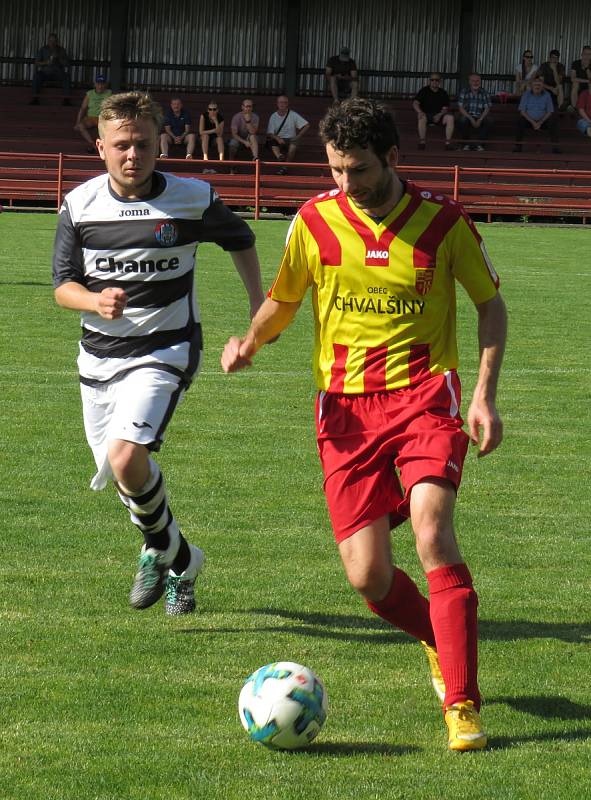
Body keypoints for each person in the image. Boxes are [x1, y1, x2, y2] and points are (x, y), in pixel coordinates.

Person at [221, 97, 507, 752]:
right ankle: (439, 636)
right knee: (367, 577)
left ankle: (462, 703)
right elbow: (284, 298)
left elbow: (491, 309)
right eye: (335, 170)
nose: (345, 184)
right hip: (344, 413)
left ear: (392, 158)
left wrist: (483, 395)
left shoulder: (443, 223)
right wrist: (252, 341)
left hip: (423, 399)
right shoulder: (315, 221)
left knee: (434, 532)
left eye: (357, 170)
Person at [52, 92, 265, 617]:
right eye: (121, 145)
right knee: (128, 476)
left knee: (128, 459)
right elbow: (62, 286)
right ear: (100, 147)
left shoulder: (192, 198)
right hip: (98, 358)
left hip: (165, 348)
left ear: (158, 144)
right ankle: (179, 558)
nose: (132, 155)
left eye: (142, 144)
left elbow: (241, 239)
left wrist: (260, 309)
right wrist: (93, 299)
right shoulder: (79, 205)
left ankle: (162, 552)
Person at [513, 76, 561, 153]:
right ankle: (517, 146)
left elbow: (550, 111)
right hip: (529, 121)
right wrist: (533, 122)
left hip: (543, 121)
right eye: (535, 85)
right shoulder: (526, 94)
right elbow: (522, 111)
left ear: (542, 86)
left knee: (554, 121)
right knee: (520, 120)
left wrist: (540, 122)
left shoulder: (547, 95)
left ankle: (555, 147)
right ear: (531, 86)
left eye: (539, 85)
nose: (537, 86)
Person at [266, 95, 310, 172]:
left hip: (291, 139)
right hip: (278, 139)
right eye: (280, 102)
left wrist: (298, 136)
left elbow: (307, 125)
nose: (282, 104)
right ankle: (280, 156)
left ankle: (285, 167)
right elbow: (270, 133)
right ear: (277, 104)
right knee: (272, 142)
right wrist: (277, 138)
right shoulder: (273, 116)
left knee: (293, 146)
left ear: (287, 104)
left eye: (284, 102)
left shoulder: (293, 114)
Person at [412, 73, 455, 150]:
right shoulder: (424, 90)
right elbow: (415, 103)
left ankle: (448, 143)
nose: (434, 81)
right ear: (429, 81)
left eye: (437, 80)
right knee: (421, 117)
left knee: (450, 118)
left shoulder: (443, 92)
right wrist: (419, 112)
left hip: (439, 116)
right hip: (426, 116)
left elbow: (445, 108)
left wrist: (439, 115)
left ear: (440, 82)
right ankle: (422, 142)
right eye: (432, 80)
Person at [74, 74, 112, 153]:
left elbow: (111, 107)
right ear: (95, 84)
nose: (100, 86)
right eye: (98, 84)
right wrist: (78, 121)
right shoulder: (89, 94)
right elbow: (83, 108)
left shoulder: (109, 93)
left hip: (102, 118)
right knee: (80, 126)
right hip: (90, 118)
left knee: (104, 129)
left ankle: (97, 146)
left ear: (105, 84)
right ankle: (92, 144)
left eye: (102, 84)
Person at [31, 33, 71, 105]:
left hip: (58, 73)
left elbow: (67, 64)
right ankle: (35, 98)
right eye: (51, 41)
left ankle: (66, 99)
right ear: (48, 41)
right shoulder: (43, 49)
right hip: (45, 73)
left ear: (57, 41)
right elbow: (37, 63)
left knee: (67, 77)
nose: (52, 43)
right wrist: (46, 63)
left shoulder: (61, 50)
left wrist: (59, 58)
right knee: (36, 76)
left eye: (54, 41)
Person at [457, 73, 493, 150]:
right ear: (469, 82)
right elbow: (461, 108)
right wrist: (471, 119)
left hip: (480, 116)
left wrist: (480, 119)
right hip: (468, 116)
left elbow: (487, 108)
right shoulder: (464, 91)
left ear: (480, 82)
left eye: (477, 81)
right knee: (462, 120)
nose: (475, 83)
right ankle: (466, 144)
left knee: (489, 121)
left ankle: (480, 145)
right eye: (473, 81)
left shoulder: (484, 92)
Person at [228, 98, 260, 166]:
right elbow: (234, 134)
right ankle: (231, 162)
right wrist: (244, 142)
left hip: (250, 138)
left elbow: (253, 132)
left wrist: (248, 121)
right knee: (233, 143)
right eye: (246, 106)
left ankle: (255, 158)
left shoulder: (255, 117)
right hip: (239, 138)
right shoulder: (236, 117)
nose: (248, 108)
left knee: (253, 137)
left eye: (250, 106)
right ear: (242, 107)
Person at [199, 101, 225, 171]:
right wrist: (213, 130)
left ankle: (221, 158)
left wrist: (216, 121)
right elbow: (201, 132)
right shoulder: (203, 116)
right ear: (208, 110)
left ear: (217, 110)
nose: (212, 111)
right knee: (206, 136)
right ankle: (205, 156)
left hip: (215, 138)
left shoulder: (220, 118)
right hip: (204, 137)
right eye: (210, 109)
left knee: (219, 139)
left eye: (214, 109)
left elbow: (219, 134)